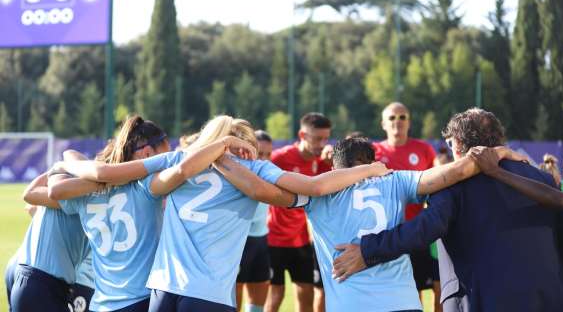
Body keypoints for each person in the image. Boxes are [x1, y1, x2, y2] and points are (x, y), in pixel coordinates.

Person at [57, 115, 389, 312]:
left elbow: (105, 174)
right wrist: (369, 169)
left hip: (162, 291)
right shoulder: (254, 167)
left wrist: (66, 161)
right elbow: (315, 187)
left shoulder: (179, 160)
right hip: (208, 295)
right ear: (243, 144)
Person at [215, 136, 523, 312]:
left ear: (334, 166)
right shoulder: (395, 179)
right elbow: (452, 173)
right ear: (372, 161)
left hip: (351, 306)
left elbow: (259, 191)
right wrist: (497, 152)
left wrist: (223, 159)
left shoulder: (317, 192)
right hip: (402, 304)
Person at [332, 108, 563, 311]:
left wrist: (368, 250)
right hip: (551, 297)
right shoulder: (543, 179)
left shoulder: (452, 183)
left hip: (482, 299)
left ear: (457, 145)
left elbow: (425, 228)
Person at [44, 115, 260, 312]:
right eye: (165, 152)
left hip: (100, 304)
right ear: (148, 154)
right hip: (141, 299)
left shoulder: (83, 193)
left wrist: (64, 168)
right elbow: (181, 170)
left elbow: (41, 194)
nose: (168, 158)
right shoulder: (145, 186)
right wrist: (223, 146)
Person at [373, 102, 440, 311]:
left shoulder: (424, 149)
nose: (397, 122)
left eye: (402, 117)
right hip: (387, 233)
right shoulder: (373, 152)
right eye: (392, 118)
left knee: (432, 288)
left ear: (409, 122)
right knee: (400, 293)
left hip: (419, 231)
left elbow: (440, 179)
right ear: (383, 123)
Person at [266, 112, 333, 312]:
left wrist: (331, 162)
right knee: (275, 295)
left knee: (306, 295)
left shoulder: (320, 162)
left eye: (326, 138)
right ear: (302, 135)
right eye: (317, 138)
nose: (322, 144)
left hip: (302, 239)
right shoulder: (279, 158)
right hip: (274, 239)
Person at [13, 152, 95, 312]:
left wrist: (57, 167)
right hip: (41, 284)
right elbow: (70, 153)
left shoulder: (71, 198)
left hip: (34, 280)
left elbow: (29, 194)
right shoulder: (74, 199)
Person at [236, 130, 274, 312]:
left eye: (269, 154)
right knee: (232, 302)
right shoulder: (237, 174)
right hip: (239, 241)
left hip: (261, 240)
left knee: (258, 304)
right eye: (260, 154)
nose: (265, 159)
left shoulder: (270, 172)